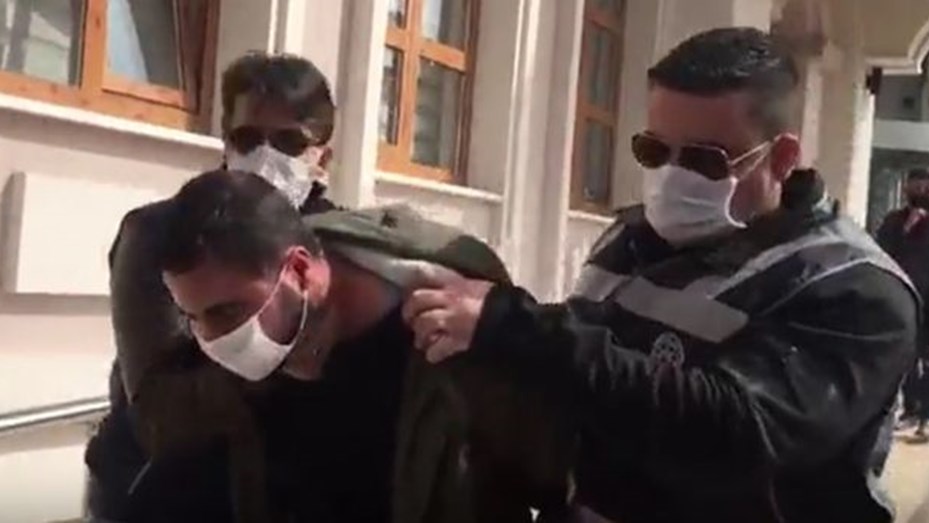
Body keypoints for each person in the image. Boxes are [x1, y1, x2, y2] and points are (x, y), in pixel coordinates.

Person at [402, 28, 918, 522]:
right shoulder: (631, 237)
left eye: (703, 159)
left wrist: (514, 326)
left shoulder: (854, 289)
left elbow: (736, 433)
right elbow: (585, 377)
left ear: (781, 159)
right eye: (654, 151)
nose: (672, 177)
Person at [153, 169, 559, 522]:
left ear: (299, 271)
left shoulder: (459, 347)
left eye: (226, 312)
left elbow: (569, 489)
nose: (211, 337)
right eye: (192, 317)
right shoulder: (232, 368)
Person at [85, 52, 336, 522]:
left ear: (322, 157)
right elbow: (159, 412)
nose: (265, 154)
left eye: (288, 142)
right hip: (155, 489)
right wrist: (281, 360)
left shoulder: (334, 239)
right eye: (248, 137)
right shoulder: (161, 234)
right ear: (226, 141)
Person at [877, 167, 929, 441]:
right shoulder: (895, 221)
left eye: (924, 186)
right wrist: (906, 229)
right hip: (903, 297)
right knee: (906, 355)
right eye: (914, 185)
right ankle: (911, 408)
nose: (918, 190)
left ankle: (925, 416)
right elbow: (882, 251)